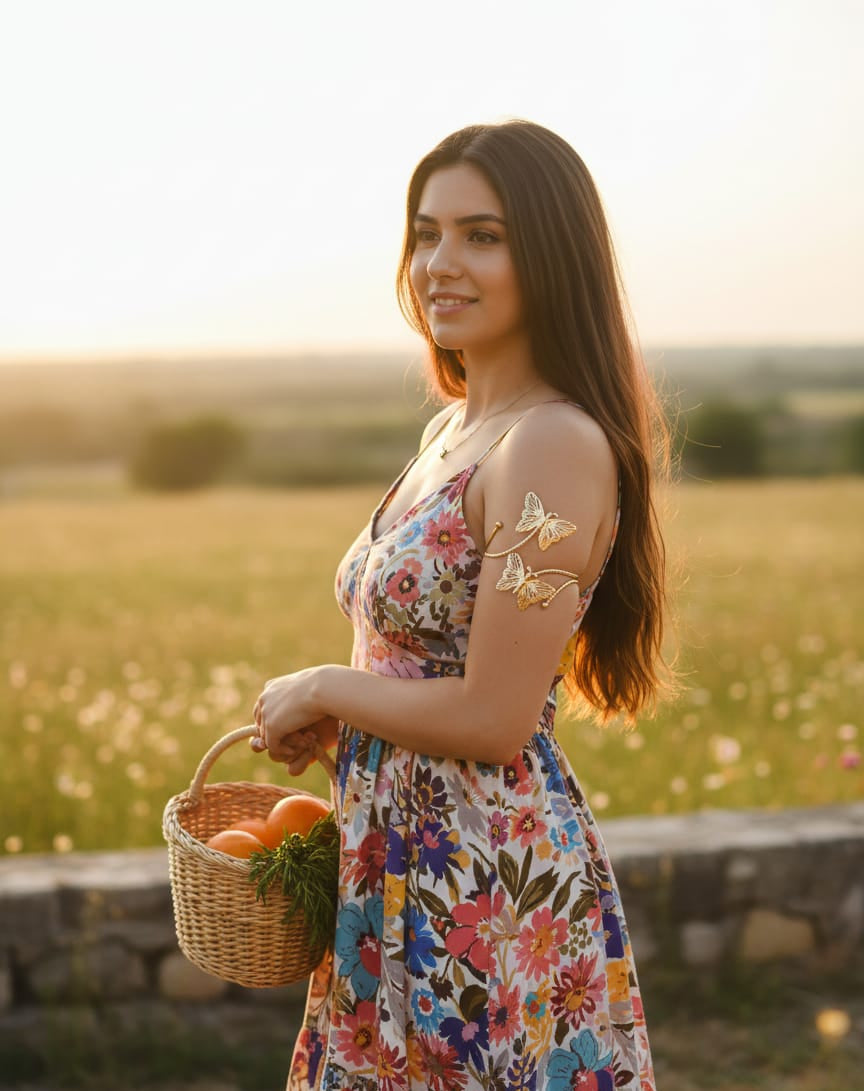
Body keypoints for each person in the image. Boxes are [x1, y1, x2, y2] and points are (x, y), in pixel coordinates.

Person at [251, 120, 670, 1091]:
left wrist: (327, 682)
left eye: (482, 235)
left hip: (480, 884)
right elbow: (418, 671)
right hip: (388, 855)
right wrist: (340, 723)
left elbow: (494, 715)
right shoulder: (457, 427)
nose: (440, 262)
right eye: (426, 232)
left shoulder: (552, 445)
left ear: (551, 256)